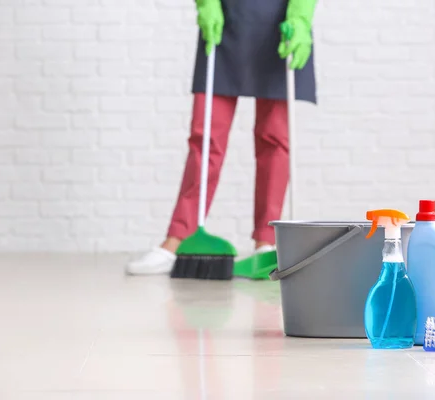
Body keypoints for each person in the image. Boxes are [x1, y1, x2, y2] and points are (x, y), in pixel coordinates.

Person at [126, 0, 318, 275]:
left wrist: (301, 18)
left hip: (281, 27)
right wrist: (207, 3)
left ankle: (266, 242)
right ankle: (178, 239)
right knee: (205, 140)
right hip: (225, 22)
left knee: (274, 141)